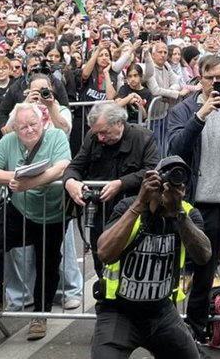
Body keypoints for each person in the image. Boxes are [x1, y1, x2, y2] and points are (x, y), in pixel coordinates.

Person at [165, 55, 220, 342]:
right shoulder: (184, 109)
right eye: (210, 78)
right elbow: (175, 147)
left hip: (217, 200)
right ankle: (163, 324)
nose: (217, 83)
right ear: (199, 78)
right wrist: (200, 115)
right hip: (185, 200)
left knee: (206, 268)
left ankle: (195, 327)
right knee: (171, 264)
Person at [91, 158, 211, 359]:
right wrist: (140, 203)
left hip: (162, 312)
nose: (168, 186)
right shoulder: (129, 206)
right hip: (118, 312)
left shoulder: (188, 214)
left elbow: (203, 256)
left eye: (177, 182)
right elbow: (104, 252)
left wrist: (178, 213)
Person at [0, 103, 73, 341]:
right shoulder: (8, 142)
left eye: (33, 124)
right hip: (19, 209)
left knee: (48, 263)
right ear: (14, 128)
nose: (29, 130)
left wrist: (32, 182)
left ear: (43, 123)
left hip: (53, 213)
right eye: (22, 127)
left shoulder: (57, 136)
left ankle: (40, 314)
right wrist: (13, 177)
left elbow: (63, 167)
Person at [63, 102, 159, 274]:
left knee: (133, 263)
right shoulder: (93, 138)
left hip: (132, 212)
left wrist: (121, 183)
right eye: (96, 132)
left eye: (104, 132)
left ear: (119, 123)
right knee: (101, 260)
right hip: (101, 212)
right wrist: (71, 182)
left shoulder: (143, 138)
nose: (100, 138)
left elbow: (151, 171)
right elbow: (74, 166)